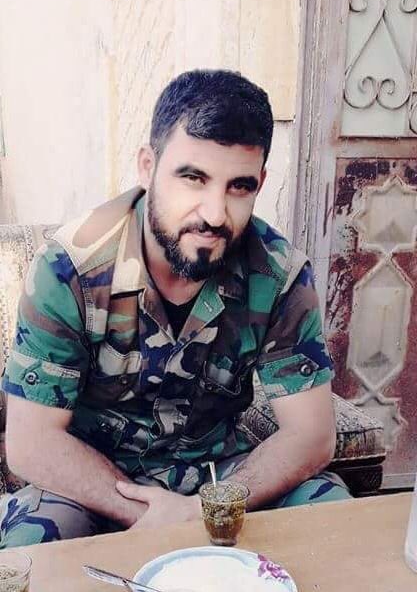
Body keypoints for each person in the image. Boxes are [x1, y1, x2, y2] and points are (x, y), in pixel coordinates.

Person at [0, 69, 350, 547]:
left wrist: (209, 507)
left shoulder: (278, 275)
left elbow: (311, 435)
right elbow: (31, 443)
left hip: (219, 477)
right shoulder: (70, 269)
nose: (214, 213)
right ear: (147, 166)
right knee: (31, 546)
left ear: (261, 183)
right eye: (193, 178)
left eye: (239, 187)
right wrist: (153, 516)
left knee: (333, 519)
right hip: (92, 483)